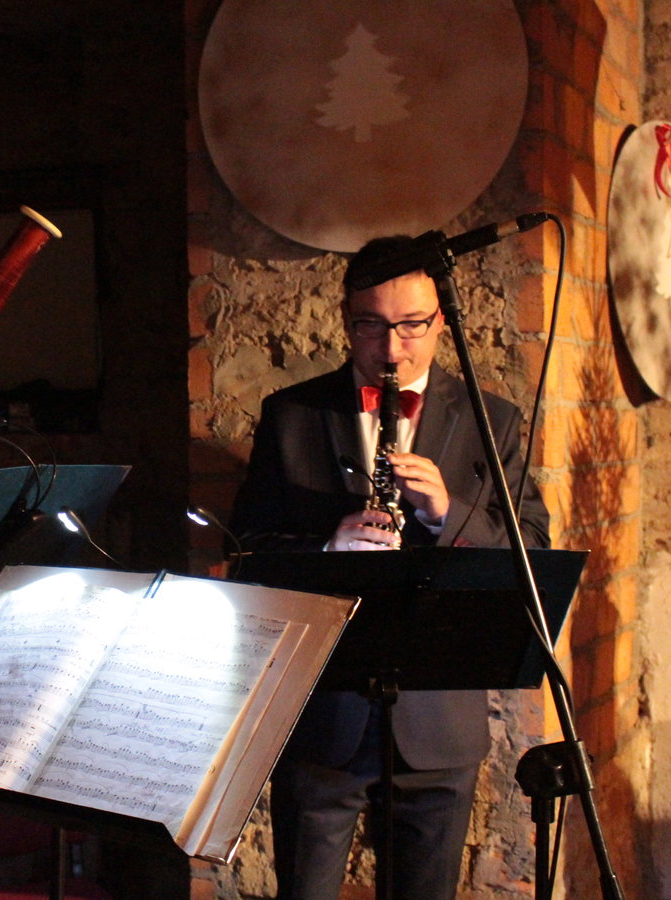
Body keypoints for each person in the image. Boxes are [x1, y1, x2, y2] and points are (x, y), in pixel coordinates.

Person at [228, 234, 552, 900]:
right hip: (322, 710)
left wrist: (446, 513)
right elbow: (248, 552)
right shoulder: (291, 415)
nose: (393, 348)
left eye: (412, 326)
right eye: (371, 326)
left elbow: (532, 546)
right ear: (346, 320)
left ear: (441, 321)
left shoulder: (492, 420)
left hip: (439, 719)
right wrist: (328, 547)